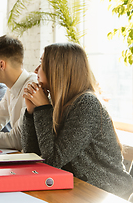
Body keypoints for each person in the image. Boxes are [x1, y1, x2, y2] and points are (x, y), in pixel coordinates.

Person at [22, 43, 133, 199]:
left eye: (42, 63)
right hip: (77, 187)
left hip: (106, 193)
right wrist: (31, 111)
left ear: (58, 70)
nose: (36, 70)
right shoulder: (60, 104)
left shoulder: (87, 104)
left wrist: (42, 108)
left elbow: (52, 161)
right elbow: (32, 156)